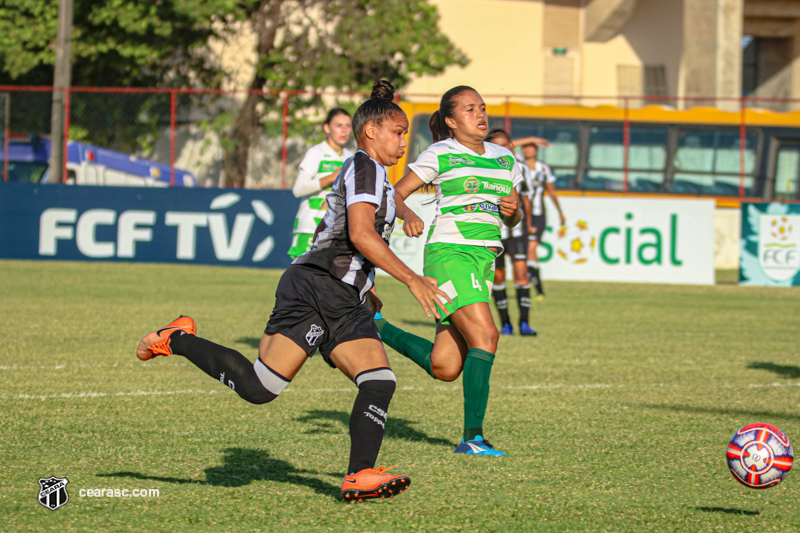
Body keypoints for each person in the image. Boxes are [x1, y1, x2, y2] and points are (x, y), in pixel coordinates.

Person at [136, 80, 450, 503]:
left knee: (378, 381)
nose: (402, 142)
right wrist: (411, 278)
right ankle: (177, 338)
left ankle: (359, 475)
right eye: (398, 133)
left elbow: (356, 236)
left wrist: (365, 285)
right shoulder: (362, 167)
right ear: (371, 132)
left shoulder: (375, 174)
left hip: (345, 295)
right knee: (260, 387)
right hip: (316, 287)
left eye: (405, 134)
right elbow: (358, 234)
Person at [375, 86, 523, 456]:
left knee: (445, 366)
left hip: (482, 261)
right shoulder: (440, 153)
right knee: (486, 335)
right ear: (452, 122)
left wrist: (514, 209)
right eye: (470, 109)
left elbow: (516, 216)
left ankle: (373, 324)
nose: (481, 115)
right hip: (450, 254)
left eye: (483, 108)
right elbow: (395, 193)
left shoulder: (506, 159)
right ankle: (473, 438)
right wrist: (407, 213)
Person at [484, 129, 536, 336]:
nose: (504, 150)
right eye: (498, 146)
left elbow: (526, 200)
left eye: (506, 145)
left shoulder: (519, 168)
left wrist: (529, 225)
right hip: (495, 231)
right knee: (498, 277)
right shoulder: (482, 167)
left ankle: (525, 322)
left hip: (517, 231)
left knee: (522, 273)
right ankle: (505, 323)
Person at [288, 108, 354, 259]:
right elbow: (298, 189)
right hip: (310, 227)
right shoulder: (316, 152)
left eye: (347, 126)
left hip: (335, 229)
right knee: (302, 278)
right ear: (326, 128)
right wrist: (331, 178)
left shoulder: (351, 157)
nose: (344, 131)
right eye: (338, 125)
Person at [519, 141, 565, 299]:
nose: (528, 149)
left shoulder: (543, 168)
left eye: (531, 146)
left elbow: (552, 191)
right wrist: (530, 137)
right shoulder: (517, 164)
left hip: (538, 214)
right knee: (528, 252)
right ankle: (538, 287)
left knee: (531, 248)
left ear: (536, 150)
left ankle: (537, 285)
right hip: (522, 214)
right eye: (525, 146)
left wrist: (560, 212)